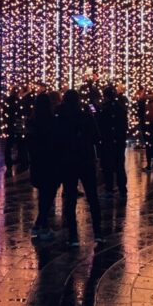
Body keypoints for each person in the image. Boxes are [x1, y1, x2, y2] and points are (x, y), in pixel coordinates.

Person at [55, 89, 104, 247]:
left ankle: (73, 235)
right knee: (92, 197)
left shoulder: (60, 117)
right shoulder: (85, 115)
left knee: (70, 198)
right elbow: (97, 137)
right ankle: (98, 232)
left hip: (67, 160)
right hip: (86, 159)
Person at [29, 92, 60, 239]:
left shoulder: (33, 122)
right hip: (51, 161)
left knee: (44, 194)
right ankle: (41, 224)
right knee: (49, 193)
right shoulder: (53, 121)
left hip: (37, 162)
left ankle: (41, 223)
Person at [97, 85, 128, 198]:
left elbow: (100, 122)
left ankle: (109, 188)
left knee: (108, 166)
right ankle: (122, 188)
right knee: (119, 164)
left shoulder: (104, 108)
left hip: (108, 140)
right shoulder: (121, 107)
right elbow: (124, 125)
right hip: (119, 140)